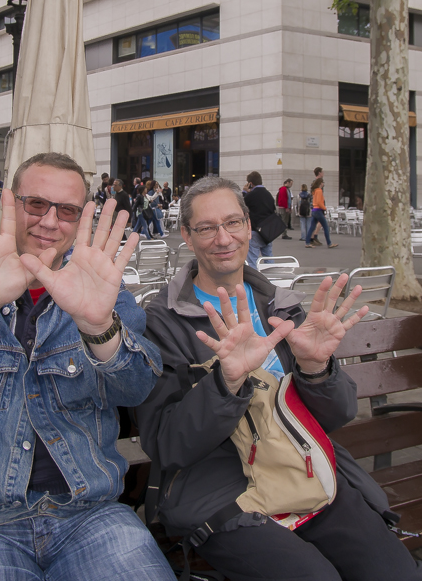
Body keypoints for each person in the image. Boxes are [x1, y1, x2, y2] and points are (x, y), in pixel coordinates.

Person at [0, 152, 175, 581]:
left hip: (90, 514)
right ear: (11, 205)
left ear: (80, 220)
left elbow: (135, 388)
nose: (49, 221)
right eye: (36, 204)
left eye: (66, 210)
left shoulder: (100, 292)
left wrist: (98, 327)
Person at [137, 176, 420, 581]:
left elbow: (336, 415)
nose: (223, 238)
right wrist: (227, 383)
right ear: (186, 235)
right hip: (220, 490)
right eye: (206, 227)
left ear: (249, 227)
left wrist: (315, 369)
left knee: (396, 574)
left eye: (233, 223)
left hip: (305, 472)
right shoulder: (161, 324)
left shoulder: (280, 306)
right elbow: (168, 444)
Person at [243, 171, 276, 269]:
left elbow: (241, 205)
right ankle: (271, 277)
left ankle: (254, 282)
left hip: (255, 230)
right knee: (268, 255)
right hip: (268, 231)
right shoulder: (268, 195)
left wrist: (244, 192)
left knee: (252, 259)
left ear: (250, 183)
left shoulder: (251, 196)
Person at [306, 179, 338, 249]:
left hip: (314, 210)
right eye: (323, 182)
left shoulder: (314, 191)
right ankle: (329, 243)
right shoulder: (319, 191)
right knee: (325, 227)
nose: (323, 184)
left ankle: (307, 242)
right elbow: (319, 202)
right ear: (321, 183)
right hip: (318, 210)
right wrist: (324, 208)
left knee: (312, 227)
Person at [310, 167, 324, 245]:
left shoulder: (315, 182)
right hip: (317, 204)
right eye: (322, 172)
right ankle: (314, 235)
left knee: (315, 221)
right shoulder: (317, 183)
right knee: (320, 220)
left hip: (316, 204)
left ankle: (313, 236)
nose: (323, 173)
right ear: (319, 173)